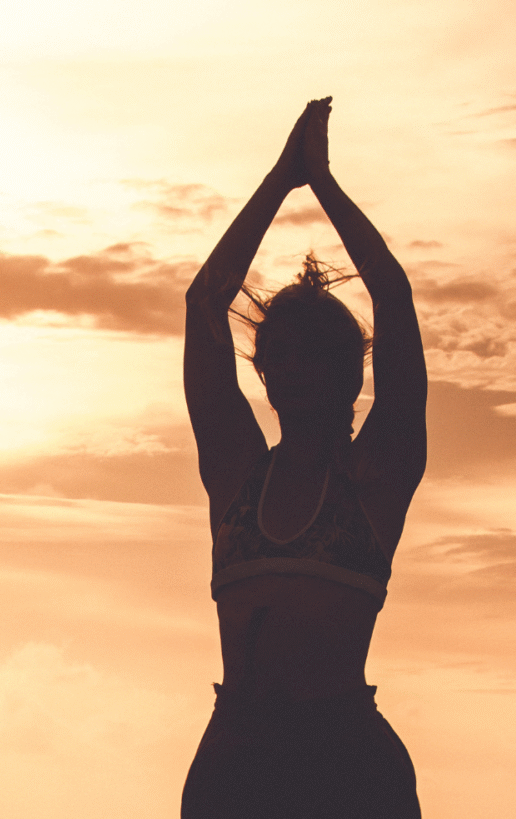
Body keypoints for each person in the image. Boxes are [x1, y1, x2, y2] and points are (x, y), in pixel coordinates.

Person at [180, 98, 426, 818]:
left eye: (309, 358)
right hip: (236, 758)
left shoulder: (374, 479)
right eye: (276, 359)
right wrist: (281, 178)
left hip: (345, 760)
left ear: (351, 375)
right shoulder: (237, 477)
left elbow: (395, 296)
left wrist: (323, 183)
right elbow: (204, 305)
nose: (288, 372)